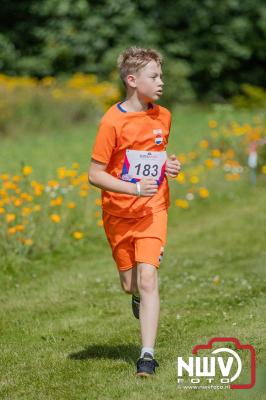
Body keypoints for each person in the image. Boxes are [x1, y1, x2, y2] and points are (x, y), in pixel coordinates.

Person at [88, 46, 181, 377]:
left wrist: (169, 165)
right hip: (118, 214)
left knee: (148, 276)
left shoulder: (164, 116)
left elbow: (157, 155)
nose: (161, 82)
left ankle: (146, 355)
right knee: (130, 284)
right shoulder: (111, 122)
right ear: (132, 80)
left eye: (161, 75)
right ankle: (137, 298)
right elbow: (94, 174)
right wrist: (131, 188)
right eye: (154, 76)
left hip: (153, 209)